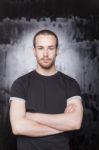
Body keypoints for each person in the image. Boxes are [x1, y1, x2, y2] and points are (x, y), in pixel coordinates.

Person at [9, 29, 83, 150]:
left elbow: (75, 123)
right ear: (34, 51)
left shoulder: (71, 84)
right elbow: (18, 127)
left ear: (57, 50)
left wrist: (32, 117)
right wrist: (63, 125)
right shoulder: (20, 84)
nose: (45, 54)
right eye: (40, 48)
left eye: (51, 48)